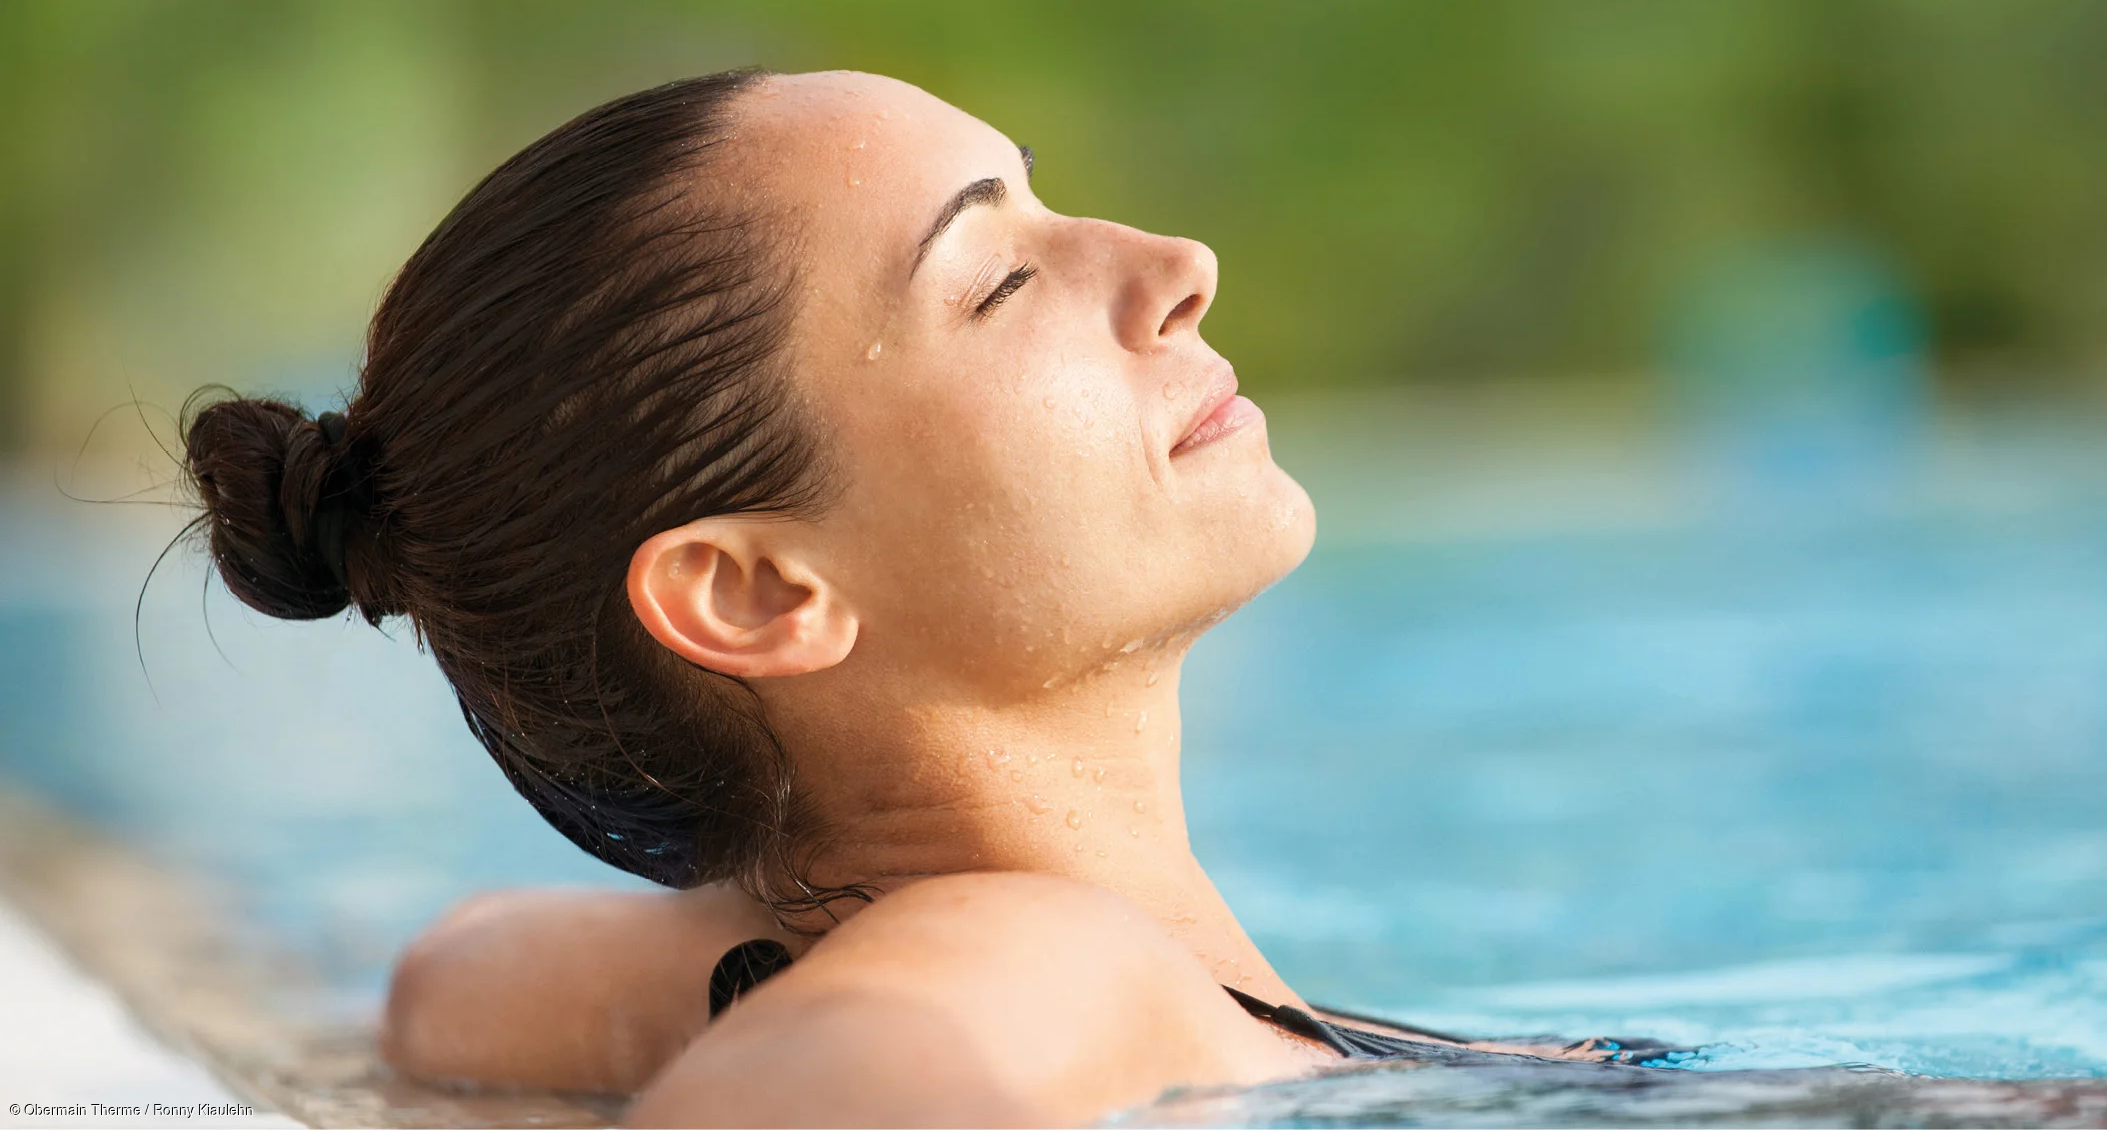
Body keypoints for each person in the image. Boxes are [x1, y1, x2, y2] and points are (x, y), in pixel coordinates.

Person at [183, 70, 1660, 1128]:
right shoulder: (1053, 961)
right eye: (997, 282)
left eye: (1044, 204)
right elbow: (817, 1087)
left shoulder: (767, 959)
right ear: (758, 590)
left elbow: (462, 975)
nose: (1175, 268)